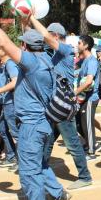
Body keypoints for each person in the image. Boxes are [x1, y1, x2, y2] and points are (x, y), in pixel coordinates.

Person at [0, 4, 70, 200]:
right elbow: (36, 40)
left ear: (25, 46)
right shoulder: (52, 59)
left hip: (31, 126)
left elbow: (4, 43)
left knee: (29, 173)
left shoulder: (30, 63)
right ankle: (59, 193)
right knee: (39, 164)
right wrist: (27, 20)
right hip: (45, 124)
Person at [30, 20, 93, 190]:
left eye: (50, 36)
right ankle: (40, 169)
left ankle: (85, 176)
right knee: (47, 141)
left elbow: (44, 35)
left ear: (56, 36)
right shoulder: (55, 53)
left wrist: (32, 18)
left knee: (72, 143)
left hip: (63, 107)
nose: (45, 39)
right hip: (55, 106)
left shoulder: (66, 50)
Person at [74, 35, 101, 160]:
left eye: (79, 43)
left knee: (87, 124)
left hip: (91, 98)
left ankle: (91, 152)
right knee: (79, 123)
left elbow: (89, 81)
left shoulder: (92, 61)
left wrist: (75, 92)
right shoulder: (84, 60)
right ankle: (89, 144)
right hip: (83, 98)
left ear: (85, 46)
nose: (77, 45)